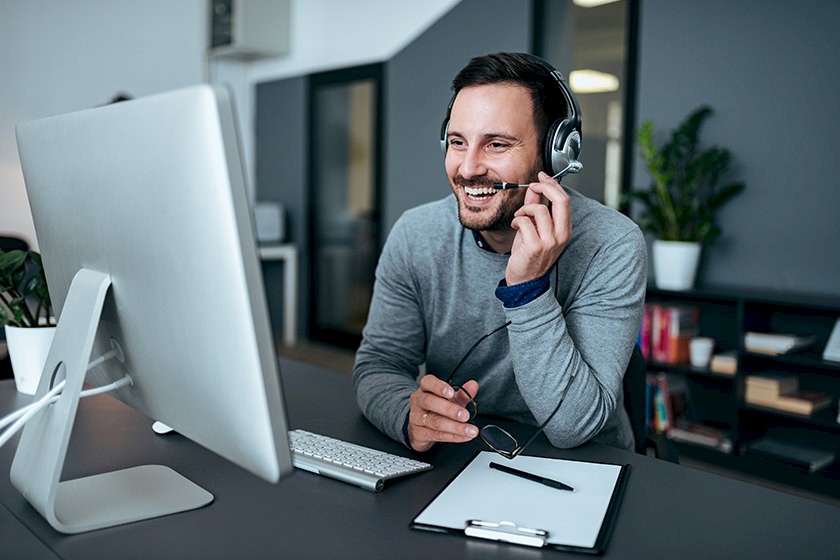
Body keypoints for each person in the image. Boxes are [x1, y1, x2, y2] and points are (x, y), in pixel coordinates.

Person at [352, 52, 646, 454]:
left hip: (587, 464)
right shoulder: (416, 234)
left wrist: (527, 289)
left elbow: (573, 427)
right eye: (458, 142)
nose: (468, 168)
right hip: (464, 449)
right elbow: (379, 365)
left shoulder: (611, 244)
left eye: (496, 144)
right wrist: (408, 415)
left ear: (554, 154)